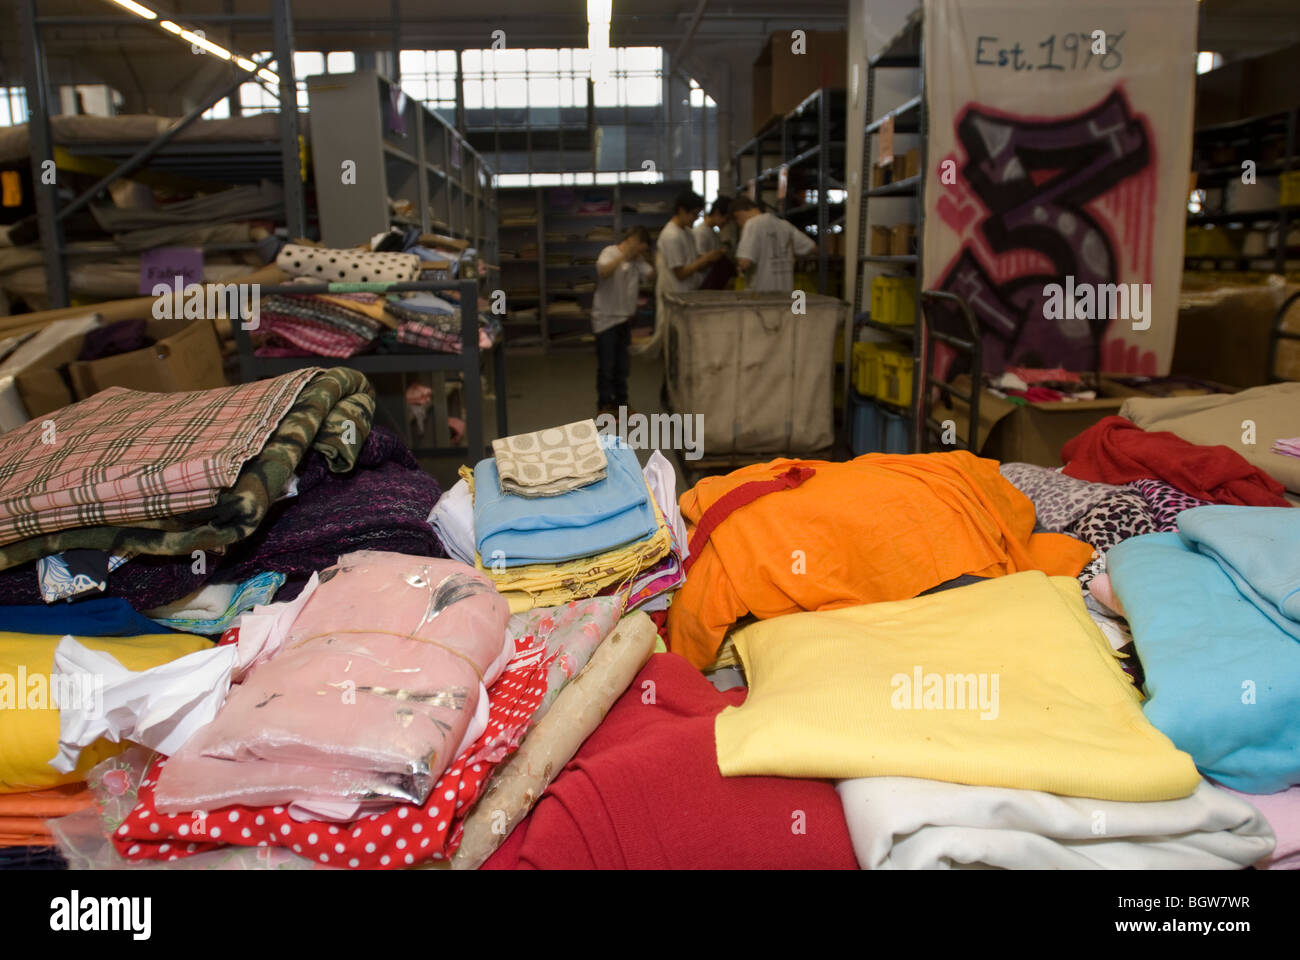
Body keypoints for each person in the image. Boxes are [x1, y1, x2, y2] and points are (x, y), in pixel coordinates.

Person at [638, 190, 723, 357]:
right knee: (675, 351)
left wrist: (709, 259)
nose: (695, 218)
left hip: (685, 297)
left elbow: (692, 262)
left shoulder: (688, 232)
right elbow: (681, 273)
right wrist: (705, 259)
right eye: (693, 214)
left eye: (698, 214)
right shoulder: (671, 236)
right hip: (674, 298)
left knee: (685, 351)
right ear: (681, 210)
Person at [592, 225, 655, 414]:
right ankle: (604, 404)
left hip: (624, 320)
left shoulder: (637, 260)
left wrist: (648, 259)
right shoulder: (610, 252)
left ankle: (621, 404)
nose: (640, 253)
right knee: (606, 366)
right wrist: (624, 256)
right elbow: (603, 272)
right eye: (640, 247)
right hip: (605, 320)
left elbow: (652, 275)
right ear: (633, 241)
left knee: (622, 366)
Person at [733, 195, 817, 293]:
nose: (739, 224)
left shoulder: (752, 224)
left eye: (737, 220)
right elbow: (812, 248)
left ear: (738, 214)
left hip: (761, 297)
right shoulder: (785, 225)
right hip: (785, 294)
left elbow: (744, 262)